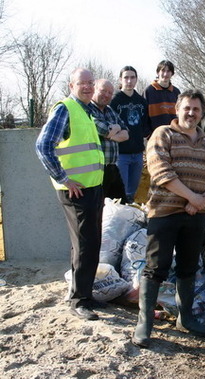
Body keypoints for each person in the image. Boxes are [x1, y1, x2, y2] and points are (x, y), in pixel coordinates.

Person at [132, 90, 205, 348]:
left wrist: (204, 199)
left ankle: (185, 319)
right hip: (164, 213)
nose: (191, 113)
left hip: (196, 217)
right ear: (177, 108)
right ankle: (145, 323)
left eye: (196, 109)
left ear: (202, 112)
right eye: (187, 108)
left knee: (188, 268)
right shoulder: (162, 134)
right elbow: (160, 170)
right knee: (155, 268)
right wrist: (192, 198)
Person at [35, 68, 105, 321]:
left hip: (92, 188)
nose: (87, 87)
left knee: (90, 243)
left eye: (90, 83)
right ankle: (79, 300)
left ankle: (84, 293)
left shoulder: (86, 110)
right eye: (82, 83)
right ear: (71, 85)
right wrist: (63, 178)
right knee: (85, 245)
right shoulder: (65, 108)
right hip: (76, 191)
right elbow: (43, 146)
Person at [110, 66, 149, 203]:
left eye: (132, 77)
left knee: (133, 192)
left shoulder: (141, 101)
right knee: (121, 192)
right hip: (120, 154)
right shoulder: (114, 101)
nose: (129, 81)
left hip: (138, 153)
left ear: (136, 79)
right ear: (121, 79)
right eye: (126, 77)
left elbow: (145, 125)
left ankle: (130, 218)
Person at [89, 79, 129, 202]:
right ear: (94, 89)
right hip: (96, 170)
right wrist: (113, 130)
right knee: (97, 207)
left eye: (110, 93)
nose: (106, 95)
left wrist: (111, 133)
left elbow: (126, 133)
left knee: (122, 204)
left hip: (112, 167)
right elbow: (102, 128)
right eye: (103, 90)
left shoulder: (110, 110)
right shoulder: (87, 109)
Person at [143, 60, 181, 134]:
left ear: (172, 74)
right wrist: (148, 134)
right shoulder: (149, 91)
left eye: (168, 71)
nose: (165, 74)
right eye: (163, 70)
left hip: (174, 136)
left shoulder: (176, 92)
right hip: (155, 136)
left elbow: (180, 115)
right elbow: (143, 116)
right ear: (158, 72)